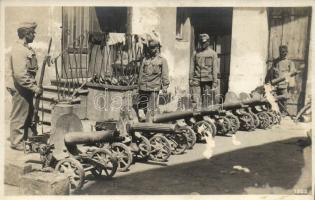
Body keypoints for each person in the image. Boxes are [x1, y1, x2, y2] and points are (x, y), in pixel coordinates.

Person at [7, 22, 43, 150]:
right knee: (19, 114)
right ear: (26, 34)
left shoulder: (26, 48)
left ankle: (28, 139)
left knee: (28, 113)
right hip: (21, 88)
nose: (34, 35)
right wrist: (34, 87)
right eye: (32, 33)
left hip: (27, 87)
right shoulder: (19, 49)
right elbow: (20, 75)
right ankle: (16, 142)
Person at [137, 39, 170, 122]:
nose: (151, 50)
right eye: (150, 48)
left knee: (152, 108)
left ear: (157, 48)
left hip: (154, 87)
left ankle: (151, 126)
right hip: (144, 87)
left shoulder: (162, 60)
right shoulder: (145, 60)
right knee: (142, 108)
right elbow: (141, 73)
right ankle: (142, 125)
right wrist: (139, 86)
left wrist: (165, 86)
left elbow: (165, 74)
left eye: (153, 48)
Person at [190, 33, 219, 110]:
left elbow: (215, 68)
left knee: (206, 100)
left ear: (208, 42)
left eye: (205, 42)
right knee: (195, 99)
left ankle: (205, 116)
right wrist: (190, 79)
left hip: (208, 80)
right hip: (196, 79)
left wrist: (215, 81)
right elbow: (192, 66)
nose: (203, 44)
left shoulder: (213, 54)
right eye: (201, 42)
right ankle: (195, 117)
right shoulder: (195, 53)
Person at [267, 45, 296, 114]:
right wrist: (269, 82)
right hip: (275, 84)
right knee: (274, 98)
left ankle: (283, 113)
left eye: (284, 52)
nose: (283, 53)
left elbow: (292, 74)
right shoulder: (276, 61)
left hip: (284, 84)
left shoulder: (290, 62)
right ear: (279, 52)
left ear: (287, 52)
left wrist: (290, 84)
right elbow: (271, 72)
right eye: (281, 52)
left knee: (284, 99)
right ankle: (275, 113)